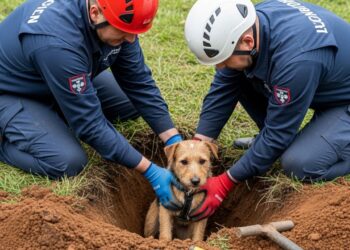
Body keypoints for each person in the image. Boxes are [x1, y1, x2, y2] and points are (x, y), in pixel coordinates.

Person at [0, 0, 184, 210]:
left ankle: (61, 110)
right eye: (124, 32)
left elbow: (138, 81)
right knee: (68, 162)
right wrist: (150, 171)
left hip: (55, 75)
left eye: (135, 32)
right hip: (12, 92)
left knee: (128, 104)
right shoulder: (57, 42)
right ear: (95, 13)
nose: (132, 39)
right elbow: (90, 126)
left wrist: (174, 141)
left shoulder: (116, 19)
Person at [184, 0, 350, 220]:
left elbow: (278, 135)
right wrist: (198, 144)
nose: (219, 67)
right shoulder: (251, 23)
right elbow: (223, 88)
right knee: (238, 73)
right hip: (325, 80)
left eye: (223, 59)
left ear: (247, 41)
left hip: (342, 100)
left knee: (300, 163)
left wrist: (226, 182)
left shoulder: (297, 60)